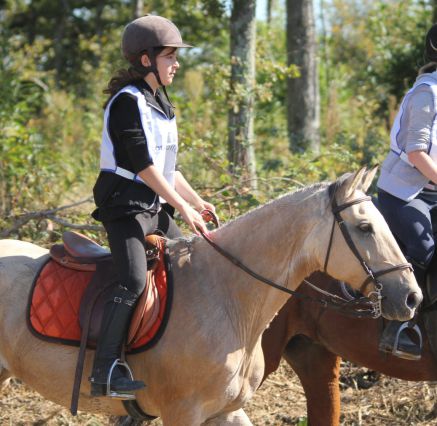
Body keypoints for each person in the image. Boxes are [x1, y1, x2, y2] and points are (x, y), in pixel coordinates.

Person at [89, 15, 215, 398]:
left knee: (193, 265)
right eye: (170, 57)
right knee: (133, 280)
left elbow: (167, 169)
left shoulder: (161, 103)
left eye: (176, 57)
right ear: (146, 60)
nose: (176, 64)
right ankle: (106, 370)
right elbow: (143, 168)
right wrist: (183, 208)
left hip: (153, 207)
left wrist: (196, 201)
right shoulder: (127, 103)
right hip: (124, 207)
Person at [376, 24, 437, 360]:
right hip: (407, 193)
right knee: (423, 248)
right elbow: (416, 153)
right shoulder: (427, 93)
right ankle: (401, 326)